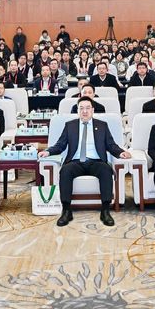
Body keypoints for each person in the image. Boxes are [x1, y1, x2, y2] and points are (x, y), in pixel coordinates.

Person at [41, 97, 130, 226]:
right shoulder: (70, 125)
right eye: (81, 108)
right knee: (65, 171)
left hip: (96, 161)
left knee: (106, 170)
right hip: (76, 161)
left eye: (88, 108)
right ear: (77, 110)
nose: (84, 111)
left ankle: (105, 211)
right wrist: (48, 152)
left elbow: (110, 145)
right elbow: (60, 144)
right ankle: (66, 210)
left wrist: (120, 152)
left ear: (93, 110)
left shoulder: (102, 125)